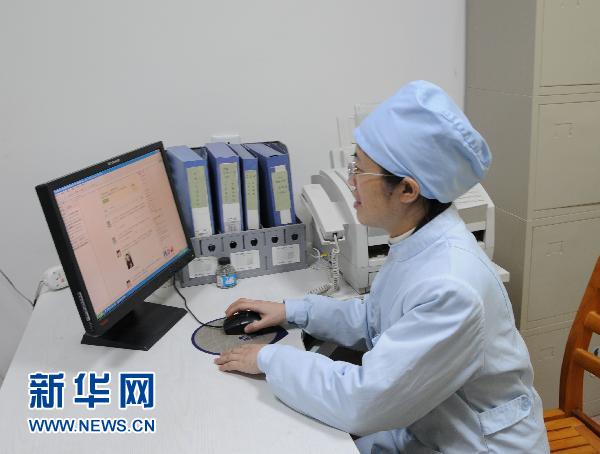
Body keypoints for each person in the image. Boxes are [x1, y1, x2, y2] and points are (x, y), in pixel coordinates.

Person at [214, 80, 549, 453]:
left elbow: (363, 403)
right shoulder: (416, 242)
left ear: (407, 190)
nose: (350, 181)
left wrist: (269, 358)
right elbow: (375, 319)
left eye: (359, 169)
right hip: (434, 430)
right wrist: (294, 311)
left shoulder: (451, 287)